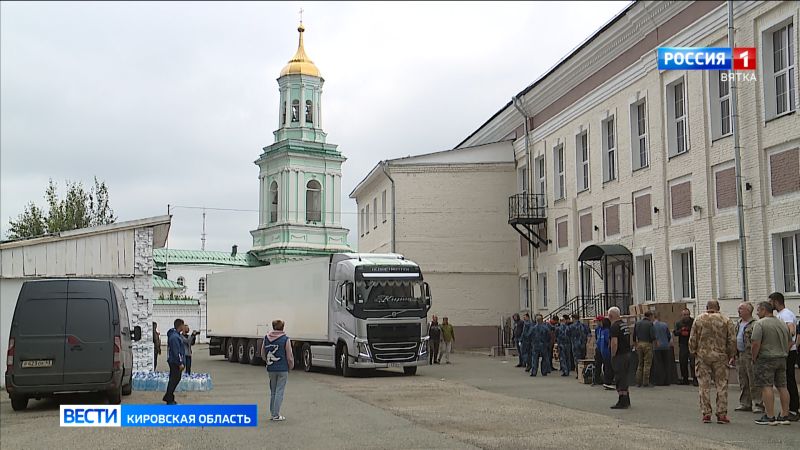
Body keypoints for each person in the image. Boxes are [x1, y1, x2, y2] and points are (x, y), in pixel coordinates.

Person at [688, 300, 736, 424]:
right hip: (720, 356)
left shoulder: (699, 319)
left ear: (707, 307)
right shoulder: (726, 320)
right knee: (721, 385)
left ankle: (706, 413)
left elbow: (692, 338)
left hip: (703, 356)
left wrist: (693, 351)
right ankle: (722, 414)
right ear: (718, 307)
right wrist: (732, 354)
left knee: (704, 385)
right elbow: (732, 339)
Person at [751, 301, 791, 425]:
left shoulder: (760, 324)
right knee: (782, 386)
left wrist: (754, 357)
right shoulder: (782, 323)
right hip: (782, 358)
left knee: (766, 386)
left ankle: (770, 416)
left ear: (764, 310)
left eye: (758, 310)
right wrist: (784, 351)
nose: (757, 313)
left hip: (766, 358)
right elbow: (790, 341)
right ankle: (785, 415)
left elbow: (755, 343)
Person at [768, 292, 799, 421]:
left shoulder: (785, 314)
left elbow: (791, 331)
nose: (770, 304)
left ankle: (793, 409)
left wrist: (785, 350)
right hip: (787, 351)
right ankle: (793, 407)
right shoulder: (781, 315)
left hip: (788, 352)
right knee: (787, 380)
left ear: (776, 301)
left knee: (788, 380)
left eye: (770, 302)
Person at [732, 302, 763, 414]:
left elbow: (757, 341)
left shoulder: (755, 324)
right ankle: (745, 403)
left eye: (741, 309)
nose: (738, 311)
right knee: (743, 380)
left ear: (748, 311)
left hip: (750, 355)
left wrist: (755, 356)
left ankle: (757, 403)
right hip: (740, 354)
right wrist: (733, 355)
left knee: (753, 379)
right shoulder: (738, 323)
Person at [261, 319, 295, 421]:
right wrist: (291, 366)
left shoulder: (266, 338)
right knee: (280, 391)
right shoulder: (285, 339)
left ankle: (273, 413)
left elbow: (263, 353)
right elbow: (289, 356)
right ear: (282, 327)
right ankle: (276, 414)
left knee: (273, 391)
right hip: (282, 368)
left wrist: (267, 361)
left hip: (271, 368)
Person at [608, 307, 631, 409]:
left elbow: (614, 342)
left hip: (619, 355)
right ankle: (627, 399)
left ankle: (622, 401)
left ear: (610, 316)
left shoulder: (614, 327)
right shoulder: (624, 325)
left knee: (619, 378)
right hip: (627, 353)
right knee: (624, 377)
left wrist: (613, 354)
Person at [162, 318, 185, 405]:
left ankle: (168, 396)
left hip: (173, 361)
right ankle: (169, 398)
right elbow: (176, 351)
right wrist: (180, 363)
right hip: (175, 362)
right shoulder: (175, 337)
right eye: (183, 325)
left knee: (174, 379)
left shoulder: (176, 335)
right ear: (180, 326)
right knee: (174, 379)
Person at [633, 310, 656, 387]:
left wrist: (635, 344)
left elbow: (634, 335)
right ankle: (645, 382)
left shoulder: (637, 323)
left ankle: (638, 382)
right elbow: (652, 335)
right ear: (650, 316)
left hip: (639, 343)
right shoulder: (650, 324)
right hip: (647, 344)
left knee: (640, 363)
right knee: (647, 364)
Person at [674, 308, 697, 386]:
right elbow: (675, 333)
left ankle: (695, 379)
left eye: (687, 314)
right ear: (682, 315)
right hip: (683, 345)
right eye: (684, 315)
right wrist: (681, 331)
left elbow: (697, 331)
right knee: (683, 362)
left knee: (693, 363)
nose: (686, 316)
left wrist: (689, 331)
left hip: (692, 344)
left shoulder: (693, 321)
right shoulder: (678, 323)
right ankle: (685, 379)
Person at [652, 312, 672, 386]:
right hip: (666, 346)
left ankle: (660, 381)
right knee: (666, 364)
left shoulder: (652, 326)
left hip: (657, 347)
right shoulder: (665, 325)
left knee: (659, 364)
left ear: (654, 317)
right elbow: (669, 336)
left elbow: (652, 336)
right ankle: (667, 381)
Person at [600, 317, 615, 389]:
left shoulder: (604, 331)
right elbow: (609, 341)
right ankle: (608, 381)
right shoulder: (606, 331)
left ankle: (607, 380)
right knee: (608, 366)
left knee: (607, 366)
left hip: (604, 351)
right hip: (606, 351)